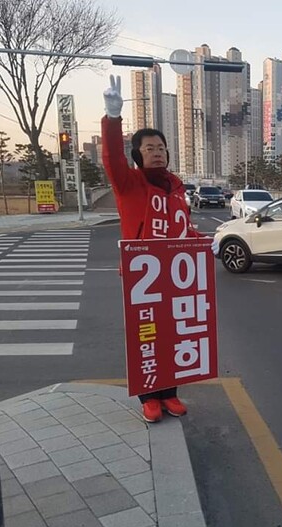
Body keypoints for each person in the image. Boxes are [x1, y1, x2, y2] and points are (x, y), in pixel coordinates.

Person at [101, 74, 200, 423]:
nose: (156, 153)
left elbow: (182, 229)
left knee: (172, 335)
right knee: (147, 337)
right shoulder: (129, 185)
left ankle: (170, 393)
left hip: (175, 277)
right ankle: (149, 398)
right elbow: (111, 159)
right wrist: (113, 118)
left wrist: (202, 243)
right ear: (137, 156)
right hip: (141, 277)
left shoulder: (176, 189)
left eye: (160, 148)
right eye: (149, 149)